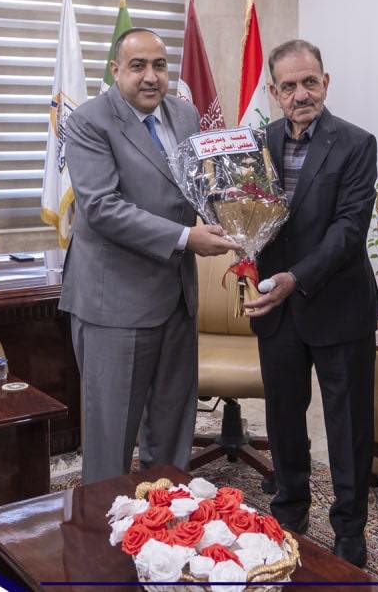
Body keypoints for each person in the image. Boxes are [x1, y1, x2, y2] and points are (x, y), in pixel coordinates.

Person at [61, 27, 238, 484]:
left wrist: (243, 204)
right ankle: (103, 524)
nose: (150, 76)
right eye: (137, 66)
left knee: (173, 430)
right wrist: (185, 238)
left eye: (159, 66)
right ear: (115, 70)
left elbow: (199, 186)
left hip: (177, 298)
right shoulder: (89, 121)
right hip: (114, 304)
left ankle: (167, 516)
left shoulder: (185, 114)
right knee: (111, 439)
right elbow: (102, 207)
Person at [241, 39, 378, 569]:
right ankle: (289, 510)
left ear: (326, 81)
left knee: (348, 425)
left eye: (310, 82)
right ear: (274, 92)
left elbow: (348, 229)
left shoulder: (356, 143)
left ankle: (349, 529)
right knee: (283, 416)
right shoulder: (256, 144)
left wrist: (295, 278)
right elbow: (244, 213)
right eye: (290, 86)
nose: (302, 94)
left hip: (338, 304)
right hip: (276, 310)